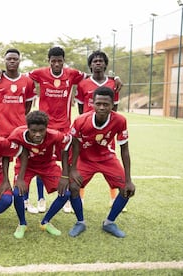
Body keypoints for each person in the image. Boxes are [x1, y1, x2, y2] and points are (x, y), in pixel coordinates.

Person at [28, 46, 123, 213]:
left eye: (59, 61)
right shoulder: (40, 73)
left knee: (69, 161)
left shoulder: (72, 74)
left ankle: (67, 198)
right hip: (44, 128)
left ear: (64, 61)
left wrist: (114, 77)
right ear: (49, 61)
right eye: (53, 61)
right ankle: (41, 199)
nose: (56, 64)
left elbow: (93, 75)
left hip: (65, 126)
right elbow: (19, 77)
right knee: (40, 160)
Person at [68, 86, 135, 238]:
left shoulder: (120, 120)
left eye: (106, 104)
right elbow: (73, 146)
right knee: (72, 187)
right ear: (92, 103)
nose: (102, 107)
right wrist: (72, 169)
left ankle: (109, 223)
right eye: (98, 103)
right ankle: (80, 222)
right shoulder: (80, 120)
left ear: (112, 105)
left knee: (127, 189)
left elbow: (125, 150)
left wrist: (129, 179)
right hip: (85, 159)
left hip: (107, 158)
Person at [0, 48, 37, 213]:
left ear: (19, 61)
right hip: (2, 128)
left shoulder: (28, 82)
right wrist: (0, 118)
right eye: (9, 59)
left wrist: (21, 118)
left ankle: (25, 199)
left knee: (24, 162)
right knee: (2, 162)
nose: (12, 61)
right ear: (5, 61)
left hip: (21, 129)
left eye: (15, 59)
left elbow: (28, 105)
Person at [8, 111, 71, 238]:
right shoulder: (17, 134)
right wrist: (19, 178)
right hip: (26, 167)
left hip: (47, 165)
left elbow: (66, 147)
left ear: (46, 128)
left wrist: (65, 175)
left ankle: (46, 222)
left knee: (66, 192)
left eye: (41, 130)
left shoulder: (55, 135)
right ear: (28, 128)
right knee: (17, 193)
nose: (38, 134)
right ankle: (22, 223)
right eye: (34, 131)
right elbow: (11, 150)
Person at [75, 50, 122, 210]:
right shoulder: (83, 84)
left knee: (111, 163)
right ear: (90, 65)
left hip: (107, 130)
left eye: (101, 61)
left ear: (105, 64)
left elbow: (114, 108)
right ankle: (79, 197)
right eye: (94, 61)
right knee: (83, 164)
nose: (98, 63)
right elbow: (81, 108)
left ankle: (114, 197)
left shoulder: (113, 83)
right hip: (88, 130)